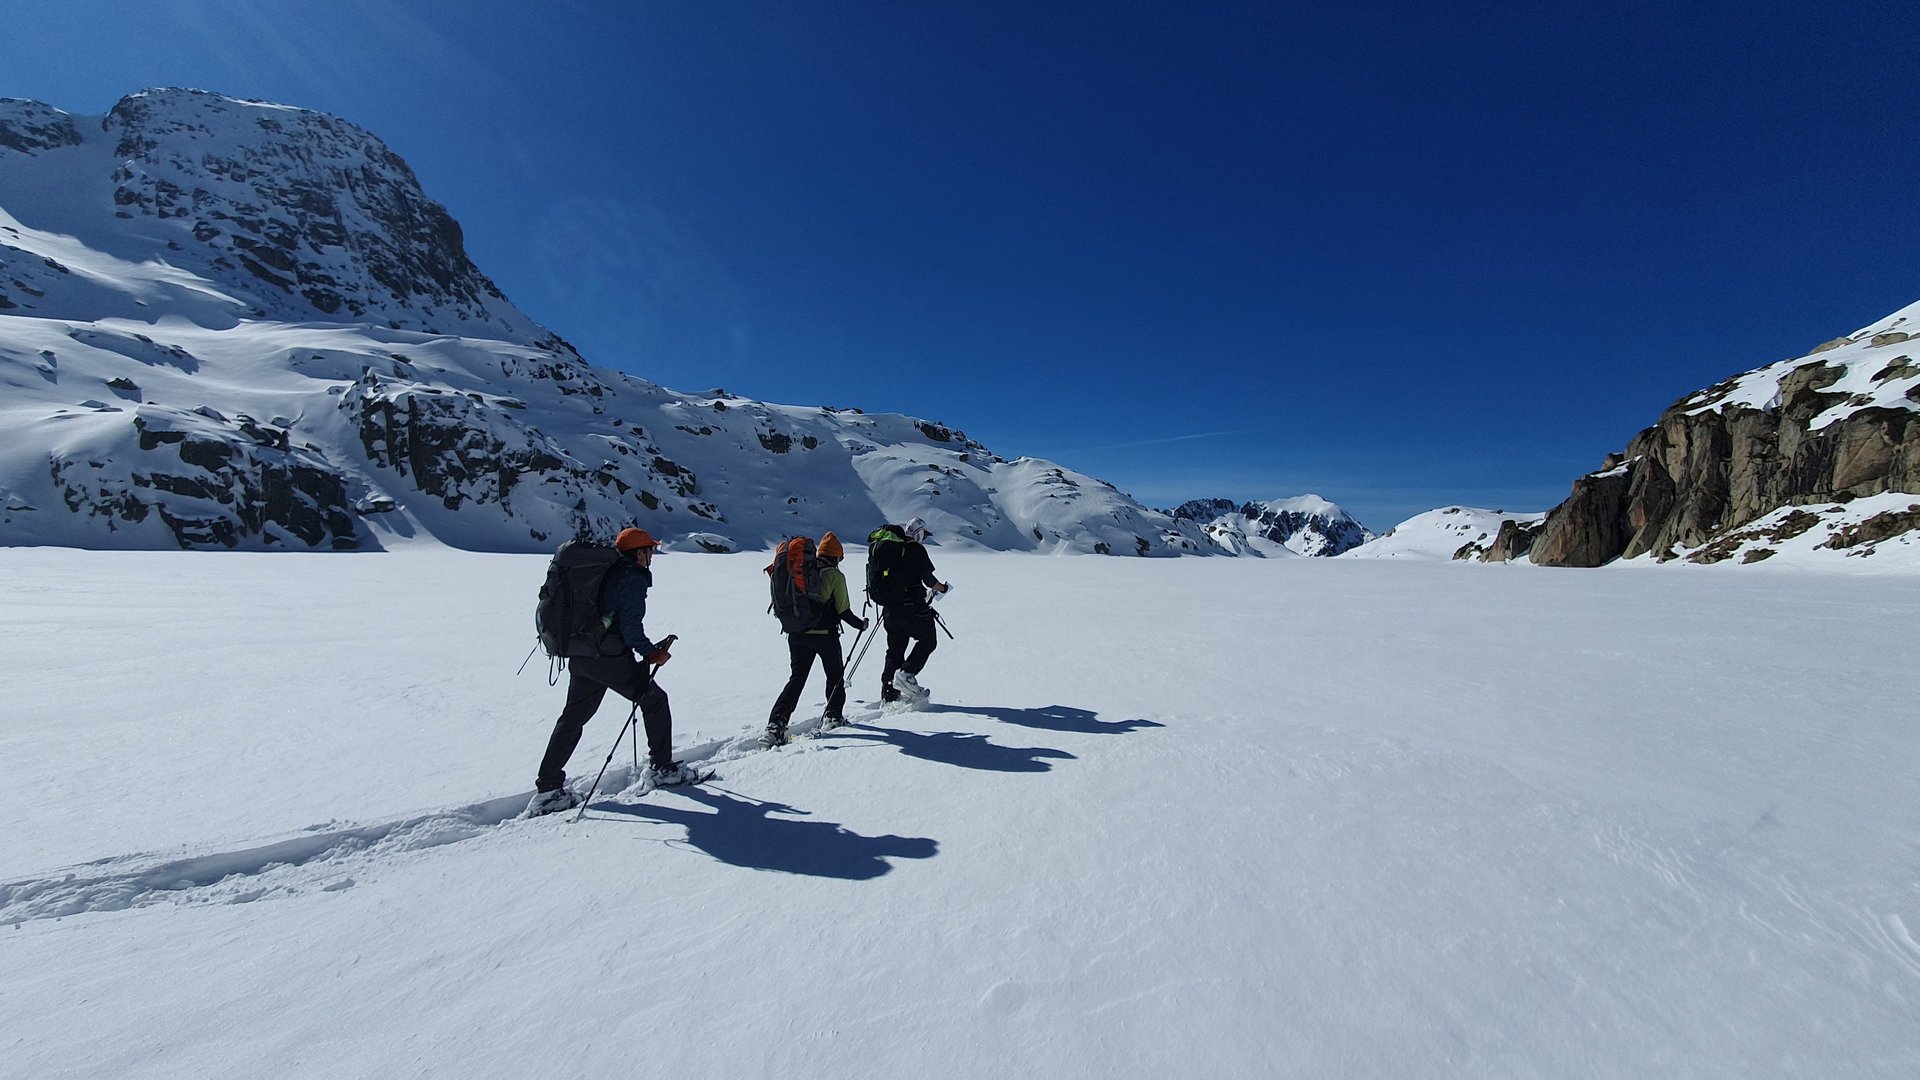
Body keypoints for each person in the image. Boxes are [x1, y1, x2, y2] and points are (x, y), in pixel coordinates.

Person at [527, 527, 698, 816]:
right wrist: (652, 653)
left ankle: (548, 790)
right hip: (608, 658)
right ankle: (662, 769)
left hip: (584, 654)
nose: (652, 556)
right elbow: (631, 629)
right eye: (650, 551)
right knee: (655, 700)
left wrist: (645, 650)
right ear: (638, 553)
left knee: (572, 719)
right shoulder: (631, 579)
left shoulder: (610, 572)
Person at [764, 531, 870, 746]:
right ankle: (833, 716)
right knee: (834, 676)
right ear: (836, 557)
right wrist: (861, 624)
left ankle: (775, 725)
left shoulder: (799, 572)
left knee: (797, 679)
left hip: (796, 634)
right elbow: (843, 611)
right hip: (825, 637)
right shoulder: (834, 576)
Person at [875, 516, 950, 704]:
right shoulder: (916, 549)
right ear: (918, 533)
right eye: (923, 534)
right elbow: (928, 579)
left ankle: (889, 692)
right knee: (928, 639)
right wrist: (942, 588)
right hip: (911, 606)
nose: (924, 538)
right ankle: (906, 674)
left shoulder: (891, 550)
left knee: (895, 649)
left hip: (890, 609)